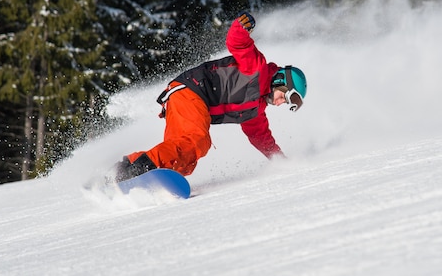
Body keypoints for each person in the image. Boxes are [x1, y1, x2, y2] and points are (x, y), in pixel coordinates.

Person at [112, 11, 307, 181]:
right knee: (197, 141)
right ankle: (137, 172)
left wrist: (282, 162)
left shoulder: (256, 110)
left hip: (186, 100)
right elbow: (236, 42)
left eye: (286, 102)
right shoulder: (257, 69)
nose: (281, 103)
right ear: (279, 80)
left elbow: (261, 137)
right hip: (191, 91)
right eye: (284, 96)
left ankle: (124, 169)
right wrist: (241, 25)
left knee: (183, 161)